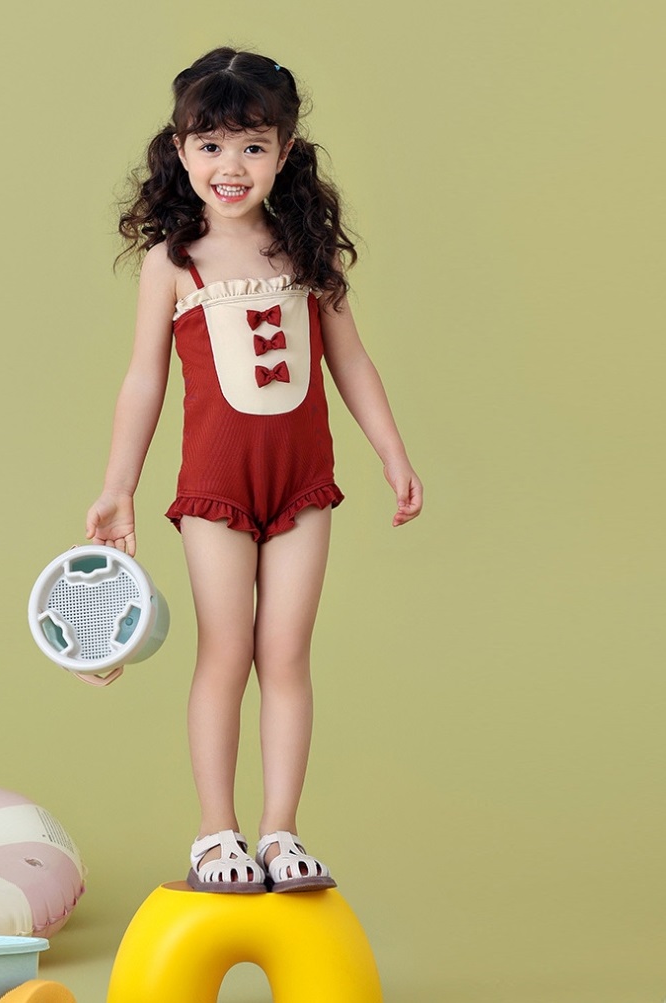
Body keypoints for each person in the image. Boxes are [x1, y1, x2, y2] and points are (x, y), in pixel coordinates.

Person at [86, 47, 422, 893]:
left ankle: (279, 829)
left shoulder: (305, 252)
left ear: (284, 151)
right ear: (180, 149)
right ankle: (215, 831)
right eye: (210, 146)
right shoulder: (174, 262)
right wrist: (118, 487)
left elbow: (350, 361)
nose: (229, 166)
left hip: (304, 488)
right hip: (215, 492)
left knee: (286, 654)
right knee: (226, 651)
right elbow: (144, 380)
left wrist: (391, 451)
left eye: (251, 146)